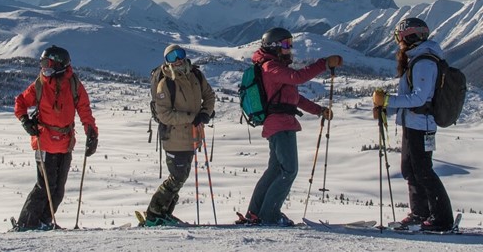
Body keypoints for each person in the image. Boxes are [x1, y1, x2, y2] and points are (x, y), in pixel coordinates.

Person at [239, 27, 343, 226]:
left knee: (275, 170)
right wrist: (324, 63)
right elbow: (298, 78)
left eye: (290, 44)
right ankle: (269, 215)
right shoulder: (271, 67)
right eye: (286, 44)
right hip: (280, 125)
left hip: (279, 123)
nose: (290, 48)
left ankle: (255, 212)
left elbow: (293, 98)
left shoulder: (274, 67)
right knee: (289, 170)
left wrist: (318, 110)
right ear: (275, 46)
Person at [372, 17, 454, 232]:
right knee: (410, 170)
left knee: (423, 171)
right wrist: (387, 107)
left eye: (399, 37)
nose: (398, 41)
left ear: (409, 36)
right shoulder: (417, 59)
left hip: (421, 124)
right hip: (414, 124)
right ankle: (420, 213)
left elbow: (419, 98)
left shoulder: (424, 62)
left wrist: (389, 101)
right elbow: (410, 97)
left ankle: (442, 219)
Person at [12, 45, 99, 231]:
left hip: (65, 144)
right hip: (44, 142)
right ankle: (26, 224)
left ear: (60, 65)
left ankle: (43, 222)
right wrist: (25, 121)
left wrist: (92, 133)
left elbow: (84, 109)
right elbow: (20, 102)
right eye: (43, 63)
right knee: (45, 187)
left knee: (58, 191)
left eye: (48, 63)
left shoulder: (73, 84)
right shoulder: (41, 84)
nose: (44, 67)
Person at [143, 44, 216, 226]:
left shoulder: (195, 76)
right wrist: (192, 118)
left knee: (180, 177)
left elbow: (209, 95)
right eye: (171, 57)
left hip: (192, 136)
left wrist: (205, 113)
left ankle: (164, 213)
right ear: (166, 62)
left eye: (180, 54)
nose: (177, 60)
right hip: (174, 138)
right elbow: (164, 115)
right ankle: (153, 214)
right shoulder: (165, 83)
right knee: (177, 177)